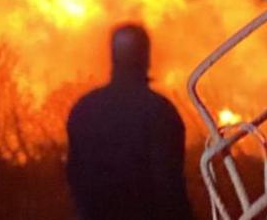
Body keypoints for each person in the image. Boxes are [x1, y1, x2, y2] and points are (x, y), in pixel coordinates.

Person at [66, 24, 194, 220]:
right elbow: (170, 185)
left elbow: (74, 176)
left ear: (113, 56)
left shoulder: (84, 109)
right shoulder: (160, 112)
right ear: (146, 56)